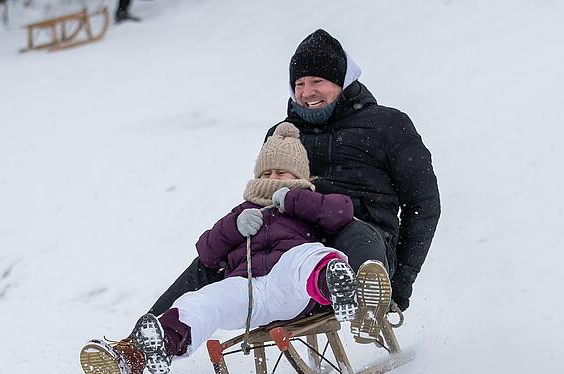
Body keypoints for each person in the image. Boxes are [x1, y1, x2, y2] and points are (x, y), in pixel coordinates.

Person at [80, 123, 391, 374]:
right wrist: (233, 226)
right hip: (247, 288)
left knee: (304, 258)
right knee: (205, 300)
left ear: (300, 178)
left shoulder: (309, 202)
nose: (272, 179)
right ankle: (164, 342)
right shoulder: (243, 210)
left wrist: (295, 200)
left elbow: (341, 213)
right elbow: (207, 252)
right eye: (266, 174)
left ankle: (338, 286)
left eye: (281, 173)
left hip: (291, 287)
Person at [149, 29, 440, 315]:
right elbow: (263, 190)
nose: (307, 92)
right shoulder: (282, 135)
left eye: (318, 81)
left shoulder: (387, 125)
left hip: (363, 239)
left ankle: (368, 301)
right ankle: (139, 344)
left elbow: (422, 204)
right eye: (299, 83)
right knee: (213, 257)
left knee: (354, 231)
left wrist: (402, 281)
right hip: (292, 240)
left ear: (342, 81)